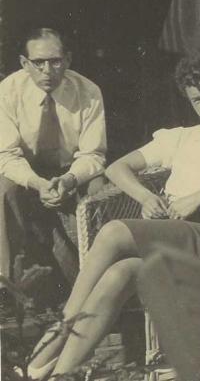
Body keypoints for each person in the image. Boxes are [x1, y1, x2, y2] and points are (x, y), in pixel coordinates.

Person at [25, 51, 200, 377]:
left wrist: (194, 198)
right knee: (120, 274)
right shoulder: (181, 138)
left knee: (115, 232)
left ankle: (58, 329)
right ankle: (55, 374)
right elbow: (118, 168)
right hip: (171, 232)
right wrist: (145, 196)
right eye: (197, 99)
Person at [0, 28, 107, 303]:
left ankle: (97, 291)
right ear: (25, 64)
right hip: (25, 171)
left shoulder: (89, 92)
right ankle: (14, 292)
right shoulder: (7, 92)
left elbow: (93, 154)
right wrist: (37, 183)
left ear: (68, 60)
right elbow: (6, 155)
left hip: (71, 170)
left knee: (99, 190)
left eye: (55, 61)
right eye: (38, 63)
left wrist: (69, 180)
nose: (47, 70)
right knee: (3, 190)